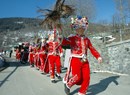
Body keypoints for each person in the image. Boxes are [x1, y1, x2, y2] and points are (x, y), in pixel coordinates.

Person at [62, 16, 102, 95]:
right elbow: (64, 43)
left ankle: (82, 92)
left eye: (82, 28)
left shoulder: (87, 39)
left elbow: (92, 48)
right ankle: (68, 85)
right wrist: (60, 37)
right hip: (75, 59)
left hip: (84, 60)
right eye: (78, 28)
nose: (80, 30)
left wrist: (98, 56)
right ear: (75, 29)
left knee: (87, 77)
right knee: (77, 77)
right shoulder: (72, 38)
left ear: (84, 28)